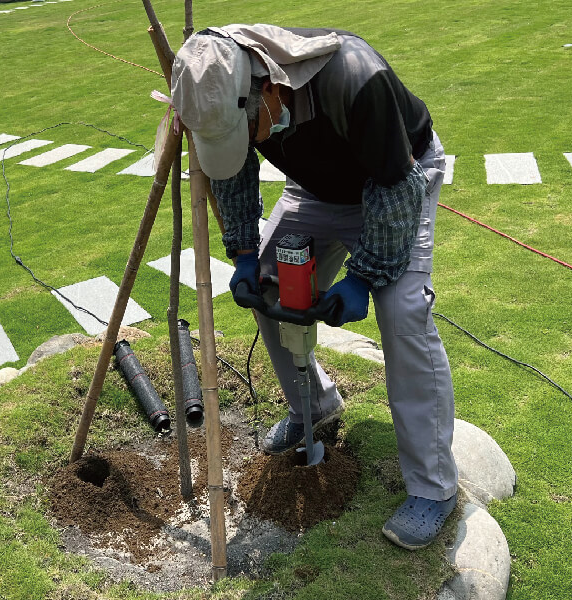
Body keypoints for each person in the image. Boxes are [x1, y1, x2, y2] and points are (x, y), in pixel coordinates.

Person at [171, 24, 458, 550]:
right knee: (270, 290)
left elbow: (396, 186)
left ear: (271, 89)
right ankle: (314, 406)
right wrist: (242, 254)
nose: (250, 137)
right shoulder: (217, 85)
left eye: (248, 126)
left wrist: (363, 278)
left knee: (401, 315)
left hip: (400, 177)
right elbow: (232, 170)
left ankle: (434, 486)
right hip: (316, 192)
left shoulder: (354, 78)